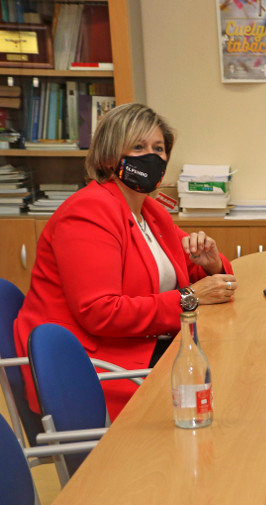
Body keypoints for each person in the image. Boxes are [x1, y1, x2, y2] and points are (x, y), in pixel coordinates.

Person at [14, 103, 237, 421]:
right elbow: (100, 312)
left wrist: (211, 264)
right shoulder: (87, 213)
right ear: (108, 157)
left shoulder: (151, 211)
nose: (152, 156)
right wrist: (189, 299)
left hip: (138, 345)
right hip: (93, 366)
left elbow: (186, 272)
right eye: (138, 147)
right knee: (225, 389)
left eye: (158, 148)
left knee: (229, 369)